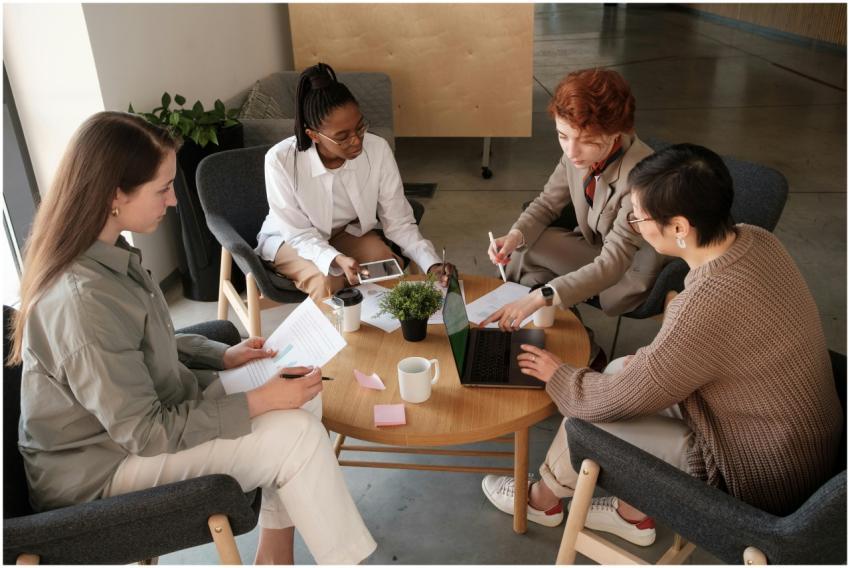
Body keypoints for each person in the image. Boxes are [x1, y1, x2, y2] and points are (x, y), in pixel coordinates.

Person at [10, 111, 376, 565]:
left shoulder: (106, 254)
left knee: (300, 393)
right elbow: (146, 432)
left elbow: (138, 346)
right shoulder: (82, 300)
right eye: (162, 189)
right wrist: (259, 401)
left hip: (136, 425)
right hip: (102, 468)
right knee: (296, 435)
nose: (173, 203)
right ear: (114, 197)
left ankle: (274, 556)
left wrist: (223, 356)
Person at [481, 144, 843, 546]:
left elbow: (613, 399)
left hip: (758, 474)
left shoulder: (707, 303)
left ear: (680, 228)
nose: (635, 224)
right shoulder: (756, 241)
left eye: (640, 217)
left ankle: (541, 499)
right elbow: (670, 363)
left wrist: (558, 375)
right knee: (619, 369)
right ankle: (632, 515)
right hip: (797, 440)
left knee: (585, 419)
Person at [483, 68, 666, 368]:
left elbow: (613, 262)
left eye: (586, 140)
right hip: (598, 249)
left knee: (531, 275)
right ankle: (576, 343)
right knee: (526, 257)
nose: (571, 151)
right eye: (562, 136)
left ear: (616, 132)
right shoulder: (577, 151)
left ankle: (578, 348)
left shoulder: (641, 178)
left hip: (627, 271)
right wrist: (514, 236)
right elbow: (546, 204)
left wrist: (541, 297)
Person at [256, 62, 455, 301]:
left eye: (359, 127)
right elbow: (297, 234)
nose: (357, 141)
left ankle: (387, 335)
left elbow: (399, 222)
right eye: (342, 136)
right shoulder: (280, 161)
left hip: (344, 233)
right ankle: (338, 338)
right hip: (291, 239)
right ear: (313, 135)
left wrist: (431, 263)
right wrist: (334, 258)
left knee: (387, 267)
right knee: (328, 280)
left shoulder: (377, 149)